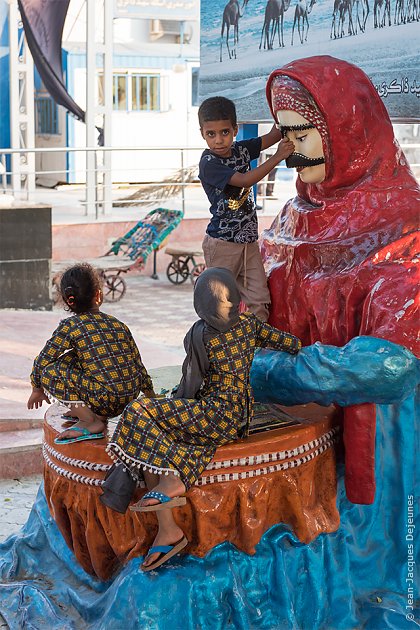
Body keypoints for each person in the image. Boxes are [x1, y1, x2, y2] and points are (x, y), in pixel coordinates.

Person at [103, 267, 301, 572]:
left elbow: (190, 387)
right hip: (239, 417)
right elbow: (290, 343)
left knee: (139, 414)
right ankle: (168, 531)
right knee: (155, 435)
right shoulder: (249, 324)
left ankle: (174, 478)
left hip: (213, 413)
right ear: (236, 301)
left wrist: (171, 404)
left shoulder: (200, 334)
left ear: (201, 306)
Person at [27, 263, 155, 444]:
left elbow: (43, 360)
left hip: (105, 400)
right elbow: (138, 365)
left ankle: (90, 421)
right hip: (128, 398)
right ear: (98, 295)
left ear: (66, 301)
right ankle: (90, 411)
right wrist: (151, 397)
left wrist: (37, 388)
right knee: (75, 357)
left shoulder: (71, 326)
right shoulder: (118, 324)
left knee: (50, 371)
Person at [197, 96, 294, 322]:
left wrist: (280, 107)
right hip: (222, 244)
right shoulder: (209, 162)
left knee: (259, 299)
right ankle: (220, 352)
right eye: (211, 134)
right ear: (202, 133)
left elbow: (273, 136)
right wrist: (279, 156)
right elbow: (244, 180)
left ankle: (254, 351)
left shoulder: (240, 150)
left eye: (225, 132)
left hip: (248, 242)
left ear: (234, 130)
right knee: (220, 306)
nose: (219, 140)